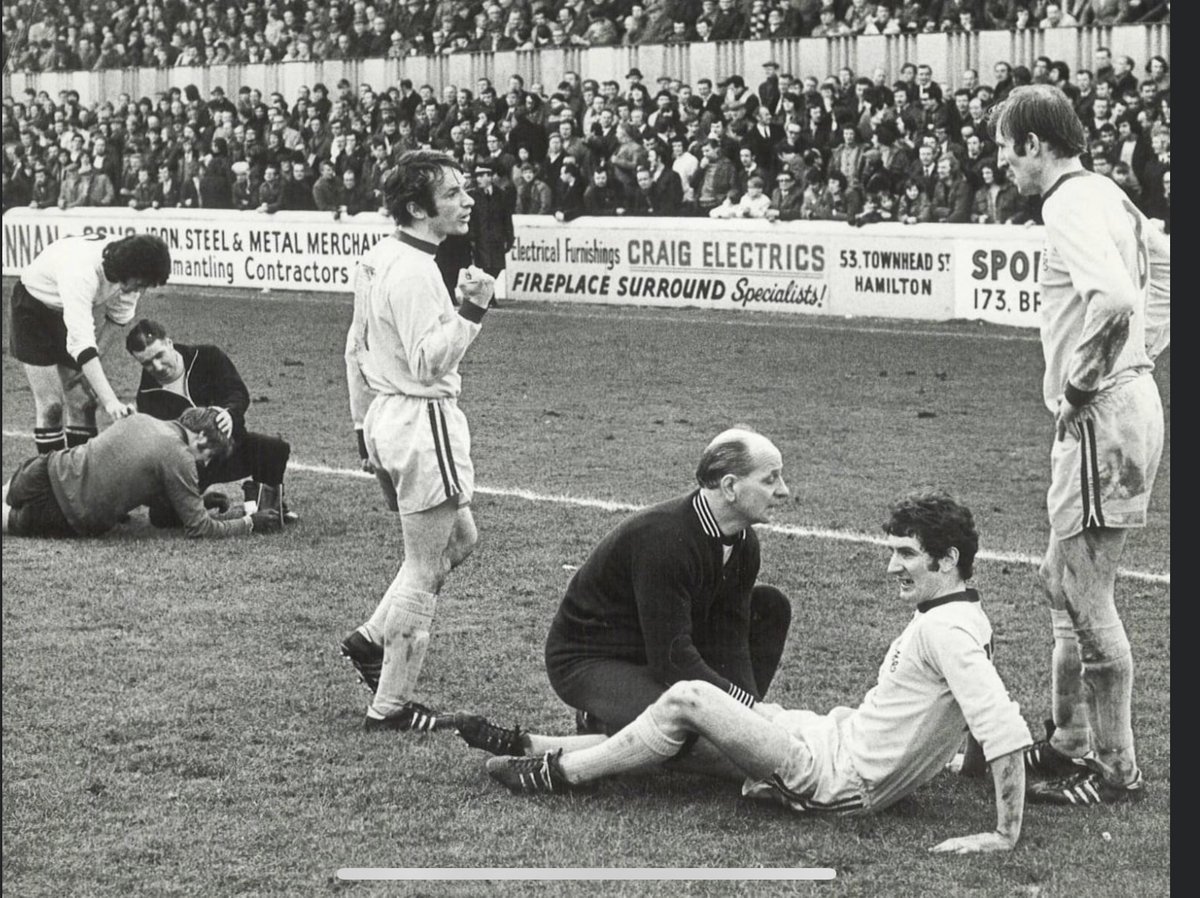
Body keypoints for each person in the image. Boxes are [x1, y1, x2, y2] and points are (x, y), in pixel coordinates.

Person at [478, 491, 1032, 853]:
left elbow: (1000, 726)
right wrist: (963, 766)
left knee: (690, 700)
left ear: (949, 558)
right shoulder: (965, 616)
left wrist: (1004, 835)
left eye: (907, 554)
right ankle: (534, 743)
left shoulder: (946, 632)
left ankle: (561, 774)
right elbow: (979, 708)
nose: (893, 566)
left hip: (837, 778)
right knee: (715, 727)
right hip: (829, 738)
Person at [991, 85, 1170, 806]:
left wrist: (1084, 384)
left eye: (1007, 147)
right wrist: (1141, 359)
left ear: (1036, 144)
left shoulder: (1067, 202)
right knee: (1057, 580)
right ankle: (1067, 741)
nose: (1003, 162)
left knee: (1088, 593)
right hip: (1127, 402)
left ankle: (1116, 766)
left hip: (1103, 414)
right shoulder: (1112, 196)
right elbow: (1161, 285)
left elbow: (1119, 299)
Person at [451, 429, 794, 769]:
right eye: (770, 480)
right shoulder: (665, 539)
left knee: (768, 607)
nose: (784, 491)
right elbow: (673, 658)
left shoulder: (744, 542)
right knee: (690, 726)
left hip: (651, 649)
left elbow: (730, 636)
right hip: (591, 658)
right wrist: (740, 714)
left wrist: (747, 715)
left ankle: (612, 726)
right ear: (730, 486)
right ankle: (541, 747)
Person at [340, 150, 494, 732]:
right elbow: (430, 363)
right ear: (416, 207)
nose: (466, 200)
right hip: (421, 419)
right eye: (452, 193)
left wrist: (363, 428)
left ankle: (371, 638)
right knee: (424, 566)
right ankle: (391, 704)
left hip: (388, 415)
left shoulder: (381, 258)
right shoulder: (413, 271)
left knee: (461, 538)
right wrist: (472, 311)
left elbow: (353, 347)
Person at [2, 408, 282, 539]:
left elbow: (133, 477)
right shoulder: (179, 456)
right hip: (64, 513)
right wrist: (250, 523)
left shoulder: (145, 419)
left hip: (41, 469)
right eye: (208, 457)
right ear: (201, 439)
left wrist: (201, 501)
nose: (205, 465)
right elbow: (200, 528)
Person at [9, 233, 171, 456]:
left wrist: (88, 370)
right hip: (32, 309)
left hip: (67, 310)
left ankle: (80, 479)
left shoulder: (129, 272)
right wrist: (111, 401)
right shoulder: (81, 272)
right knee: (51, 407)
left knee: (83, 402)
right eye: (140, 284)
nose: (139, 291)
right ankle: (48, 480)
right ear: (129, 272)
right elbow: (83, 345)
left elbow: (117, 319)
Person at [126, 319, 297, 525]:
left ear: (169, 343)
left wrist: (229, 413)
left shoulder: (207, 356)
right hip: (193, 462)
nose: (157, 366)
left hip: (231, 447)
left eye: (159, 356)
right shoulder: (147, 395)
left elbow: (238, 392)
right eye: (146, 363)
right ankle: (201, 502)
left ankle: (267, 503)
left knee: (274, 449)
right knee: (163, 517)